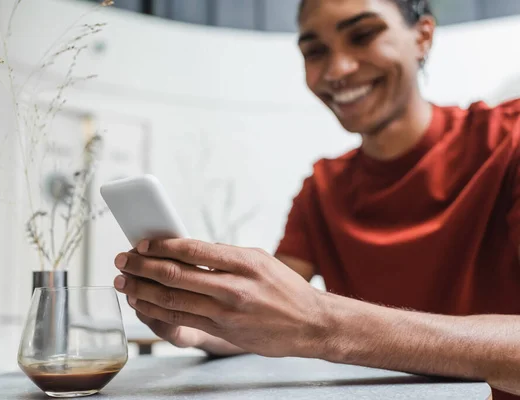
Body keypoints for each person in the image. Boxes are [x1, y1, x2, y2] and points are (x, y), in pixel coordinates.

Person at [113, 0, 520, 398]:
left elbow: (307, 319)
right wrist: (199, 325)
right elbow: (268, 316)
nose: (337, 69)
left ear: (422, 37)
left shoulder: (509, 141)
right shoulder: (323, 187)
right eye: (315, 51)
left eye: (363, 35)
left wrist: (322, 324)